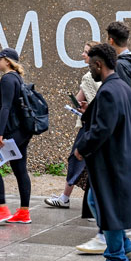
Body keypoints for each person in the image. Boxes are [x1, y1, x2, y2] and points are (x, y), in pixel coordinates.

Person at [73, 43, 131, 261]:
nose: (90, 69)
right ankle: (125, 247)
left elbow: (102, 130)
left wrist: (81, 148)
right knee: (97, 202)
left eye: (90, 64)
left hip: (113, 161)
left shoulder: (108, 91)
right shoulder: (122, 88)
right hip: (125, 157)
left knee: (108, 207)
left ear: (99, 64)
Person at [45, 41, 100, 209]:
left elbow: (82, 100)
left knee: (76, 158)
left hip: (89, 126)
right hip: (96, 124)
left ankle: (65, 198)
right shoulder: (98, 76)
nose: (82, 55)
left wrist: (78, 105)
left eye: (85, 52)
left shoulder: (89, 77)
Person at [0, 48, 33, 225]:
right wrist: (1, 129)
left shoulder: (7, 79)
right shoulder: (18, 78)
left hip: (12, 133)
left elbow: (6, 108)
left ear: (8, 61)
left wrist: (1, 132)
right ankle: (24, 212)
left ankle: (2, 209)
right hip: (22, 131)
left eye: (0, 59)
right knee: (20, 170)